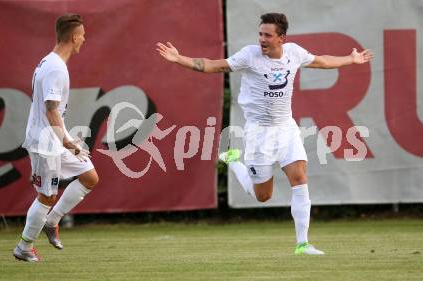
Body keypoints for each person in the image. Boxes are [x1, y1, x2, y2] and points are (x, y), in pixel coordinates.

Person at [157, 12, 373, 255]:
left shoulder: (294, 53)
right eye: (260, 34)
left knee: (300, 178)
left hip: (286, 128)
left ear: (281, 38)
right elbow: (212, 65)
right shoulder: (249, 56)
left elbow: (322, 61)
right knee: (262, 196)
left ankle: (303, 244)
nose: (262, 39)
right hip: (259, 133)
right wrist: (178, 59)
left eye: (267, 35)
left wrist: (351, 59)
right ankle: (232, 160)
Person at [13, 14, 99, 262]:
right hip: (45, 141)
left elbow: (52, 110)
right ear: (74, 37)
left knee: (89, 177)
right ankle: (24, 246)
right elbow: (51, 109)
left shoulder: (49, 62)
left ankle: (53, 220)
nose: (84, 39)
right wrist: (68, 143)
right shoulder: (55, 68)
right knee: (47, 195)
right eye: (82, 35)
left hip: (54, 137)